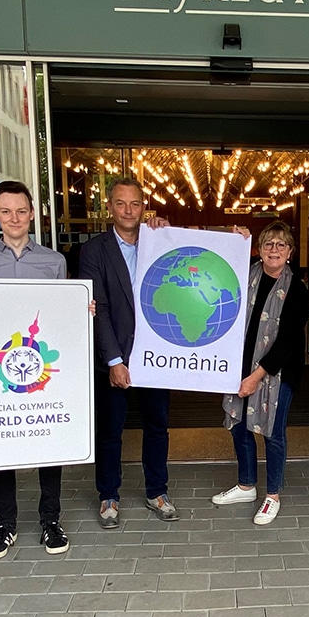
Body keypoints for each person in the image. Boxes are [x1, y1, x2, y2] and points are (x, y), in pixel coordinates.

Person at [0, 181, 71, 557]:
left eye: (21, 211)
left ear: (32, 213)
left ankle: (50, 520)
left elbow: (61, 317)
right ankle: (5, 524)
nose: (14, 218)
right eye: (6, 211)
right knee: (2, 446)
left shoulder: (54, 261)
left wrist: (81, 310)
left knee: (48, 442)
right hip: (0, 370)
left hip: (41, 366)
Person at [79, 177, 173, 527]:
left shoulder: (159, 240)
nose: (129, 210)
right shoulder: (94, 250)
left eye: (135, 203)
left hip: (155, 357)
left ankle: (157, 491)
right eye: (121, 203)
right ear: (110, 207)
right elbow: (98, 308)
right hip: (113, 360)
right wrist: (115, 360)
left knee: (157, 428)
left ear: (143, 205)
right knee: (110, 431)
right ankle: (108, 496)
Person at [214, 222, 309, 525]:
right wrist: (233, 241)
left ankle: (273, 495)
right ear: (259, 249)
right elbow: (219, 276)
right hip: (240, 366)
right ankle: (246, 485)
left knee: (273, 432)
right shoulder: (245, 278)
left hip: (278, 373)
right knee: (240, 426)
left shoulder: (297, 291)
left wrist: (255, 377)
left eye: (281, 245)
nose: (274, 250)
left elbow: (286, 344)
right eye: (268, 244)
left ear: (290, 253)